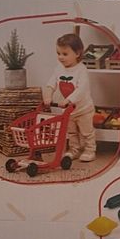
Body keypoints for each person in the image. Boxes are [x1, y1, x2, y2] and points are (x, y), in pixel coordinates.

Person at [43, 34, 96, 162]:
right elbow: (51, 84)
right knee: (71, 132)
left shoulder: (81, 70)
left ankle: (90, 150)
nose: (60, 57)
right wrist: (48, 96)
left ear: (77, 53)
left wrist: (69, 100)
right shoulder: (58, 69)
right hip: (67, 111)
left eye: (65, 54)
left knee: (86, 132)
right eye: (58, 53)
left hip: (83, 109)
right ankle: (74, 150)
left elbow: (81, 89)